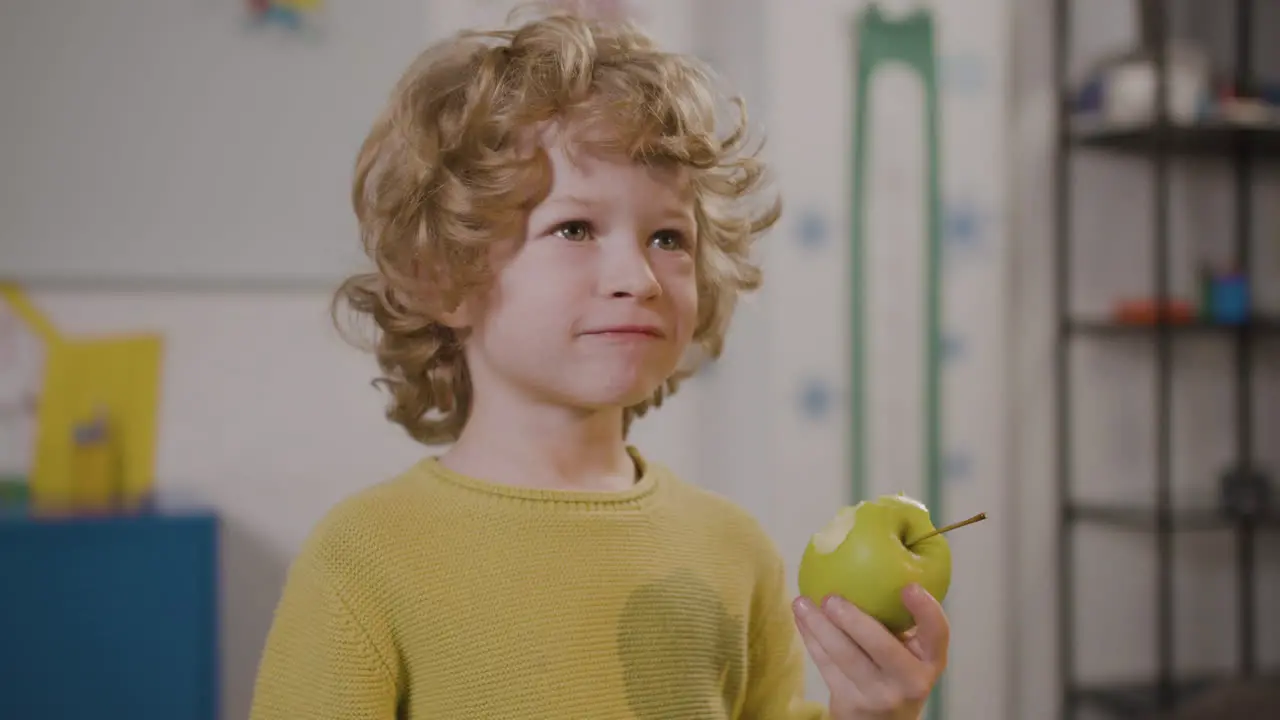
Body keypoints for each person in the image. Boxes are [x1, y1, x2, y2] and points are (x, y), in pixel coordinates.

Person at [249, 5, 951, 719]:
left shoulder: (735, 551)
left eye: (669, 238)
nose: (639, 278)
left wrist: (872, 714)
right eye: (575, 228)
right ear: (443, 276)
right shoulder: (364, 560)